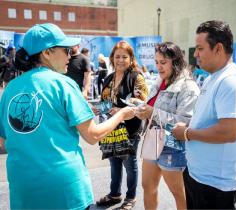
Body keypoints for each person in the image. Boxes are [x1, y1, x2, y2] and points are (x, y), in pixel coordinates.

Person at [0, 23, 136, 210]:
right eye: (66, 50)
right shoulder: (64, 84)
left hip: (23, 187)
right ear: (47, 53)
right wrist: (121, 114)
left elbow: (3, 140)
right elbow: (92, 135)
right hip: (64, 188)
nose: (71, 54)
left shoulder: (10, 89)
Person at [172, 20, 236, 209]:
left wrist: (186, 133)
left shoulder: (231, 81)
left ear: (218, 48)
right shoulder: (214, 77)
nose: (195, 54)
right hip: (200, 176)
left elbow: (229, 132)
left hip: (215, 185)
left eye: (200, 48)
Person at [135, 42, 200, 210]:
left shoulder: (188, 86)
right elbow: (153, 106)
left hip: (173, 146)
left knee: (179, 193)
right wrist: (140, 108)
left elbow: (184, 122)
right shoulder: (160, 80)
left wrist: (152, 113)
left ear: (176, 61)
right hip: (152, 138)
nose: (158, 67)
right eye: (156, 62)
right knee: (148, 187)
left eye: (163, 62)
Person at [96, 40, 148, 210]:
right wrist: (97, 109)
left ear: (131, 58)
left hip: (129, 129)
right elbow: (104, 101)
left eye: (124, 57)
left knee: (130, 165)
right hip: (110, 128)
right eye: (117, 56)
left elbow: (141, 104)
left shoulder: (136, 77)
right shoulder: (108, 78)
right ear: (112, 58)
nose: (120, 60)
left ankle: (131, 197)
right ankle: (114, 194)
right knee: (114, 163)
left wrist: (120, 110)